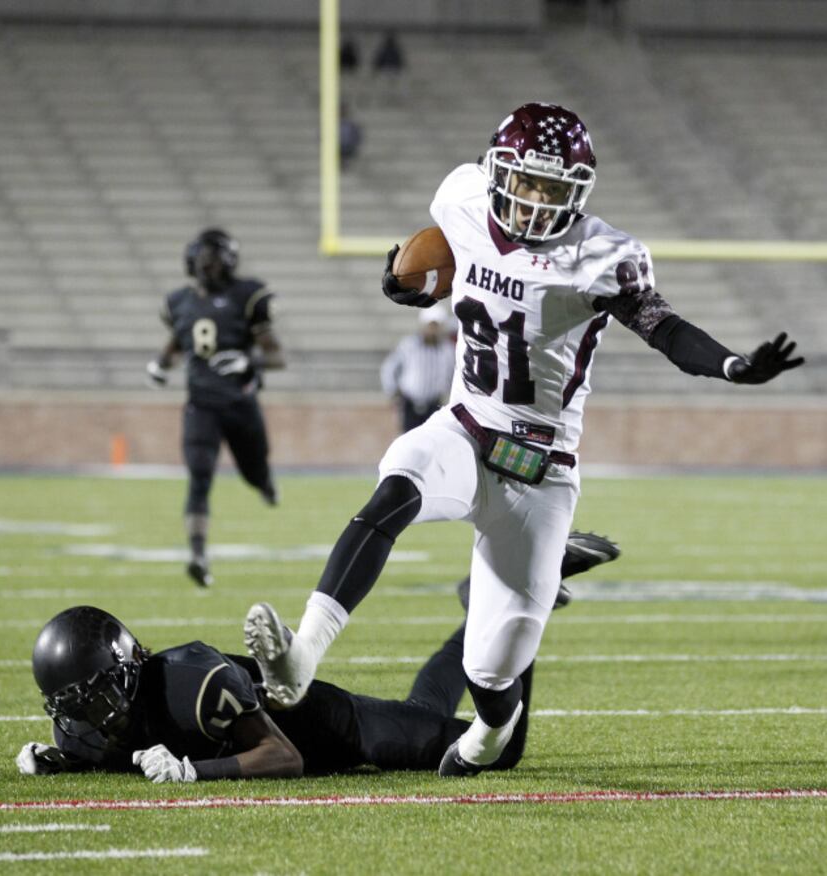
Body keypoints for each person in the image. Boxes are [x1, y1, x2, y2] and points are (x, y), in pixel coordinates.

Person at [243, 102, 804, 778]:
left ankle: (488, 734)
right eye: (528, 183)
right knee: (397, 486)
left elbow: (666, 328)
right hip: (466, 426)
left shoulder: (602, 256)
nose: (537, 201)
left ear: (578, 193)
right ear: (498, 169)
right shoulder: (462, 196)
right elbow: (436, 264)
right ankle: (302, 654)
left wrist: (732, 365)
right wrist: (406, 284)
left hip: (540, 470)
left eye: (553, 189)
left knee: (491, 669)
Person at [15, 536, 616, 781]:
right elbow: (113, 749)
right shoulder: (86, 725)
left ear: (125, 672)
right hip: (330, 730)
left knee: (500, 749)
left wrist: (197, 772)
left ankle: (521, 599)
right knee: (424, 706)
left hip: (341, 730)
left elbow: (284, 755)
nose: (90, 715)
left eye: (95, 696)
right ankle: (478, 606)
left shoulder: (189, 679)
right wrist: (61, 765)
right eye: (77, 704)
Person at [146, 228, 285, 589]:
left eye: (215, 260)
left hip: (240, 403)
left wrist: (247, 360)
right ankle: (197, 554)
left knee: (254, 470)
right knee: (199, 476)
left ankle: (264, 482)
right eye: (204, 260)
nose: (209, 267)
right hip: (201, 406)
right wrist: (161, 364)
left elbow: (276, 354)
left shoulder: (246, 295)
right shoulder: (179, 301)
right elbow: (180, 336)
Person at [380, 303, 456, 433]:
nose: (433, 329)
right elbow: (389, 368)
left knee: (432, 439)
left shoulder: (447, 350)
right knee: (408, 439)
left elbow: (451, 374)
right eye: (430, 325)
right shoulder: (409, 345)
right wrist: (392, 390)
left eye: (436, 325)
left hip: (434, 404)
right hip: (410, 403)